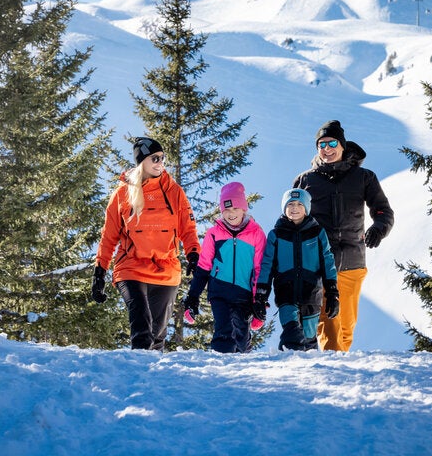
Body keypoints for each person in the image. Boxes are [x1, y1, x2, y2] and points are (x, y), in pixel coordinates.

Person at [292, 120, 394, 352]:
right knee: (329, 322)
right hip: (319, 261)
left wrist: (379, 228)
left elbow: (383, 210)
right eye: (321, 145)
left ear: (342, 145)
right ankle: (331, 370)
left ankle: (340, 366)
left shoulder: (364, 177)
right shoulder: (306, 180)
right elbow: (292, 217)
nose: (326, 149)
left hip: (352, 260)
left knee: (346, 327)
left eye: (331, 143)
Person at [92, 137, 200, 350]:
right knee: (142, 327)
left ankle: (152, 378)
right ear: (142, 162)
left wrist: (193, 254)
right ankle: (138, 368)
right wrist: (99, 272)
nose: (161, 163)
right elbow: (109, 236)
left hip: (166, 269)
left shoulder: (174, 192)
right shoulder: (122, 193)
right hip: (131, 267)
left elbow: (188, 228)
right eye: (155, 158)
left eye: (163, 158)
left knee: (157, 335)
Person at [182, 181, 267, 353]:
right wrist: (193, 297)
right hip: (219, 291)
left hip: (243, 294)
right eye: (226, 210)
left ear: (244, 208)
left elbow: (260, 270)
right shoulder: (214, 234)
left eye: (235, 208)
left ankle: (242, 366)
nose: (231, 214)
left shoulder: (256, 234)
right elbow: (204, 267)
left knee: (242, 338)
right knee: (224, 331)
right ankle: (220, 367)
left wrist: (259, 301)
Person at [254, 188, 338, 351]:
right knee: (291, 333)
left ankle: (307, 372)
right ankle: (285, 363)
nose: (294, 208)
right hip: (286, 293)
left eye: (299, 204)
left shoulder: (318, 233)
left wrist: (333, 293)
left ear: (306, 208)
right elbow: (267, 266)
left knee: (308, 338)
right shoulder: (276, 235)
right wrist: (261, 296)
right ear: (284, 208)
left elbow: (328, 263)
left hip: (312, 294)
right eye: (290, 204)